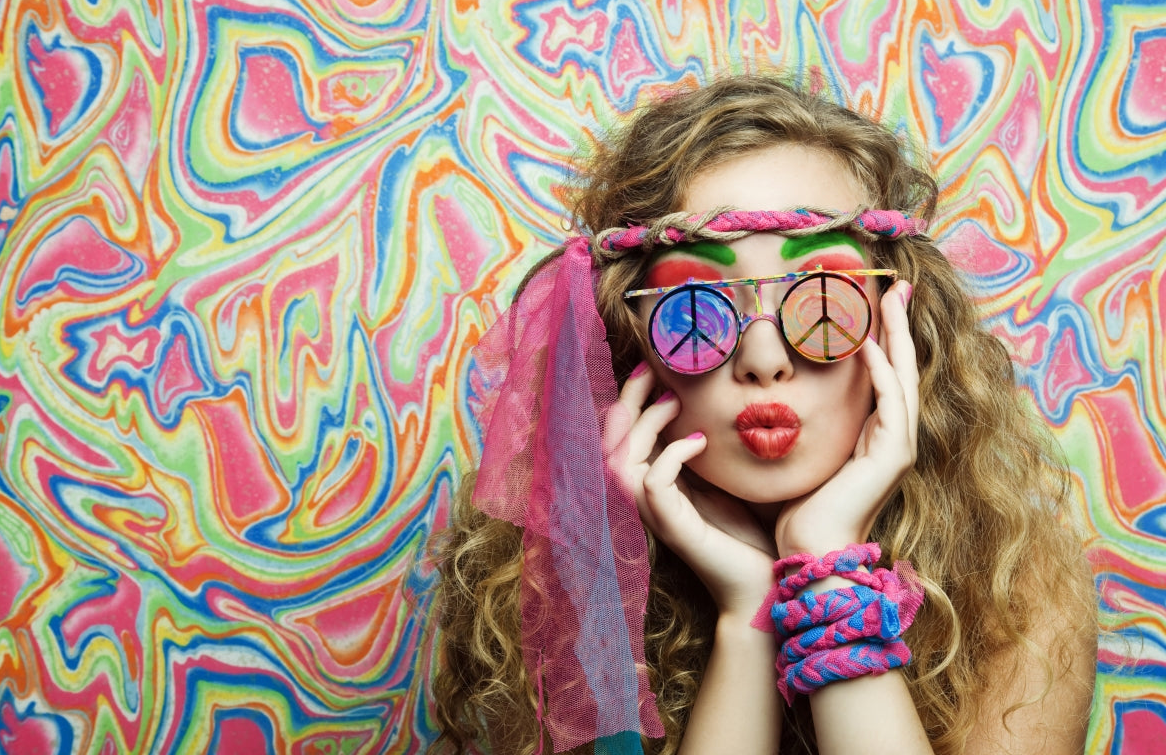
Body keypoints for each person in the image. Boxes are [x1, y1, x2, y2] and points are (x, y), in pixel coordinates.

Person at [429, 74, 1097, 755]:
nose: (764, 358)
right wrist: (745, 615)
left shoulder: (1020, 582)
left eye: (825, 298)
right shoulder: (550, 604)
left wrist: (828, 563)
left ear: (903, 327)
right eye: (695, 307)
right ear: (628, 347)